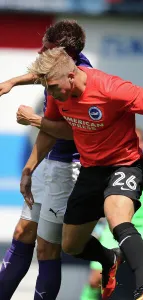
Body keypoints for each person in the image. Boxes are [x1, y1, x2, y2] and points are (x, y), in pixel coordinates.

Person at [18, 47, 143, 300]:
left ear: (71, 75)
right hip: (91, 169)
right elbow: (58, 131)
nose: (52, 93)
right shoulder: (58, 95)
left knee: (117, 218)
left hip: (125, 164)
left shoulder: (111, 88)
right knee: (71, 245)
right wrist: (28, 169)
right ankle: (109, 258)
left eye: (54, 86)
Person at [0, 20, 92, 300]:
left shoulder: (83, 81)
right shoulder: (60, 69)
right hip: (51, 164)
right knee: (22, 232)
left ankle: (107, 256)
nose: (41, 51)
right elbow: (40, 76)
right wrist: (13, 81)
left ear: (65, 56)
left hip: (69, 170)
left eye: (48, 48)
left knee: (47, 249)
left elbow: (73, 129)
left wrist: (35, 120)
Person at [81, 128, 143, 300]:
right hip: (112, 230)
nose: (133, 145)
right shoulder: (108, 168)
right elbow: (97, 196)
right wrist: (97, 223)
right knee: (96, 280)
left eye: (137, 141)